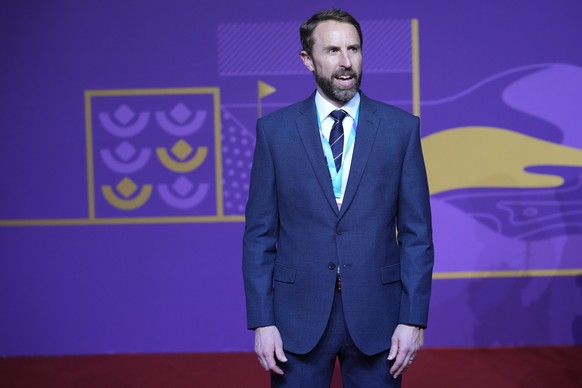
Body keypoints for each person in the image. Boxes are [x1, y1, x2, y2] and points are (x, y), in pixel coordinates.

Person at [243, 8, 434, 387]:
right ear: (307, 59)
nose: (346, 62)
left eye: (354, 49)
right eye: (332, 51)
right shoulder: (275, 133)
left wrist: (412, 319)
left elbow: (417, 235)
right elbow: (259, 236)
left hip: (378, 321)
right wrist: (263, 320)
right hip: (296, 322)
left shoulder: (400, 130)